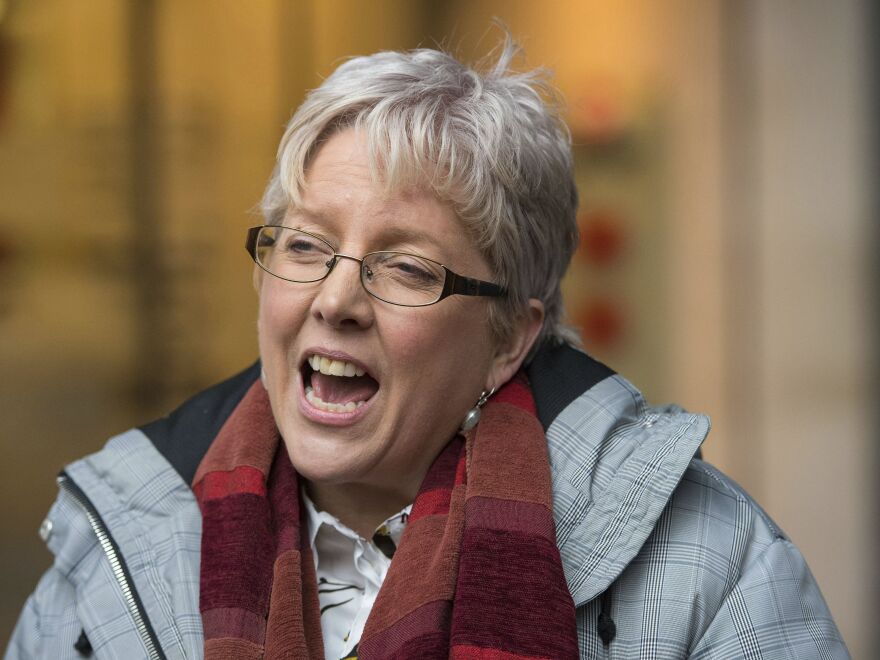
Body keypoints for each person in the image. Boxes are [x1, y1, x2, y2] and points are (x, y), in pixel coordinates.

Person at [6, 35, 848, 660]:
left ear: (508, 338)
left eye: (405, 267)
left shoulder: (713, 563)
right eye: (304, 246)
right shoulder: (112, 548)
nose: (335, 299)